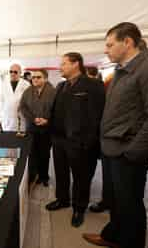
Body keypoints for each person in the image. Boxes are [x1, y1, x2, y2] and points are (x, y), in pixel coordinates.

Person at [83, 22, 148, 248]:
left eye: (109, 44)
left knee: (130, 204)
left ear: (127, 42)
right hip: (113, 149)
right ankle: (113, 236)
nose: (105, 50)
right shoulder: (122, 69)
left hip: (129, 153)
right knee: (117, 201)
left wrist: (134, 153)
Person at [46, 52, 105, 228]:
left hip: (80, 143)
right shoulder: (61, 86)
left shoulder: (94, 85)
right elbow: (57, 111)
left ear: (75, 64)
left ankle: (79, 208)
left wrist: (89, 142)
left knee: (81, 177)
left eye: (64, 63)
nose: (60, 67)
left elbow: (97, 116)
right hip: (59, 140)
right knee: (61, 173)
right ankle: (62, 199)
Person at [19, 69, 56, 186]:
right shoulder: (28, 91)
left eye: (38, 77)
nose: (35, 79)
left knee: (44, 154)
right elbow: (23, 107)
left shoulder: (53, 92)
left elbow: (58, 109)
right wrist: (32, 119)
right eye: (33, 77)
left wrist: (47, 120)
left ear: (45, 78)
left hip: (47, 128)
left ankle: (44, 176)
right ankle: (34, 175)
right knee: (32, 153)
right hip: (32, 127)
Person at [0, 64, 30, 131]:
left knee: (20, 139)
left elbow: (29, 102)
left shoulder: (26, 85)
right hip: (7, 118)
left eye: (15, 72)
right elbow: (1, 102)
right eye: (11, 71)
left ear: (20, 73)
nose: (13, 74)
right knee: (7, 139)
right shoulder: (4, 84)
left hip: (20, 118)